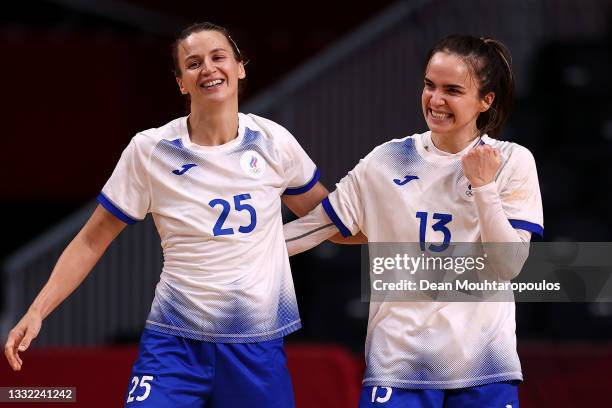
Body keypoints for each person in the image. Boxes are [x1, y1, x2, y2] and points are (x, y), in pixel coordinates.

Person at [5, 22, 329, 407]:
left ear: (240, 67)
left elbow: (329, 219)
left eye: (218, 57)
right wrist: (37, 310)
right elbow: (92, 239)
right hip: (174, 344)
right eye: (193, 63)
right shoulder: (150, 149)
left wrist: (401, 227)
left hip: (254, 344)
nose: (208, 68)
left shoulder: (274, 141)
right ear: (181, 83)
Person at [284, 34, 543, 407]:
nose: (435, 100)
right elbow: (319, 225)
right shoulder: (387, 160)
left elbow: (508, 264)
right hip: (400, 365)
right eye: (429, 85)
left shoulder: (511, 161)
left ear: (486, 101)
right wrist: (244, 250)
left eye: (452, 90)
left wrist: (483, 188)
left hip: (484, 367)